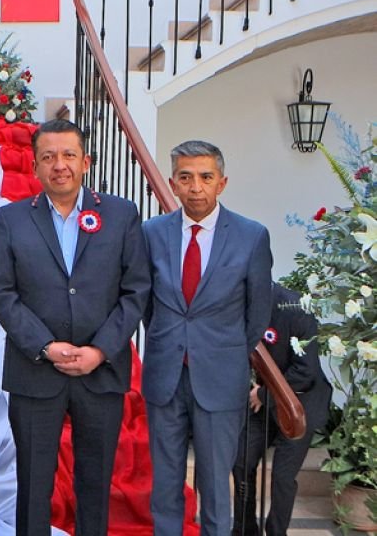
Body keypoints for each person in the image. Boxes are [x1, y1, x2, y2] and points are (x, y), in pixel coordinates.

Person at [0, 119, 151, 536]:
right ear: (35, 166)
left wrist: (100, 350)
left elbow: (136, 290)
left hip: (101, 371)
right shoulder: (12, 218)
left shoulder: (121, 214)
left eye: (68, 155)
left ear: (86, 162)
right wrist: (44, 346)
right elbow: (2, 293)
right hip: (35, 371)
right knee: (33, 484)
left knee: (95, 484)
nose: (59, 165)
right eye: (48, 157)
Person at [141, 140, 273, 536]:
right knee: (165, 485)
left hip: (221, 377)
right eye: (185, 178)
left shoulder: (251, 236)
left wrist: (222, 353)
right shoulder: (151, 233)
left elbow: (257, 313)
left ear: (222, 182)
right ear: (172, 184)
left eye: (205, 177)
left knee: (216, 486)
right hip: (165, 375)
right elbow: (146, 305)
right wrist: (172, 342)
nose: (195, 187)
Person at [232, 282, 332, 536]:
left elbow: (306, 372)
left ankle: (277, 531)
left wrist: (263, 394)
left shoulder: (295, 308)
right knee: (242, 460)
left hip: (298, 404)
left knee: (282, 476)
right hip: (261, 401)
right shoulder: (238, 305)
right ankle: (244, 529)